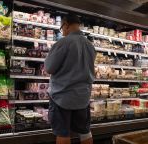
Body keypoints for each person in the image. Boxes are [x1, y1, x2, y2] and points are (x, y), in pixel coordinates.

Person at [45, 14, 96, 144]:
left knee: (63, 133)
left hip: (62, 97)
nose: (62, 31)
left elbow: (49, 68)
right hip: (83, 97)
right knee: (85, 132)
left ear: (66, 25)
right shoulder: (90, 45)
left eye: (62, 27)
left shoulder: (63, 42)